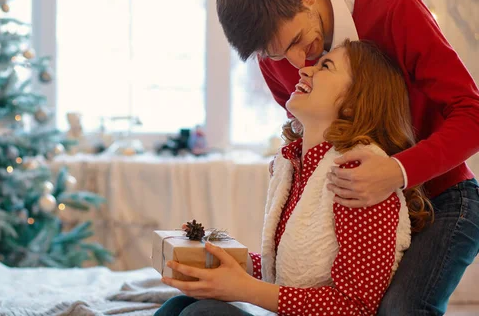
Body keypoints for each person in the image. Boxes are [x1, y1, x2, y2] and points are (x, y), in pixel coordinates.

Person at [215, 0, 479, 315]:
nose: (297, 64)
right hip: (358, 203)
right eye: (278, 54)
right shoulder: (275, 58)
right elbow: (316, 138)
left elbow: (472, 114)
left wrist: (395, 172)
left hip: (443, 197)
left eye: (297, 41)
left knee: (400, 309)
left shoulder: (396, 13)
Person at [156, 40, 434, 316]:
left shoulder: (360, 176)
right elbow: (288, 270)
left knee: (203, 314)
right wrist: (226, 260)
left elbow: (356, 307)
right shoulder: (295, 166)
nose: (305, 70)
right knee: (180, 306)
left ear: (354, 101)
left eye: (326, 66)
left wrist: (244, 289)